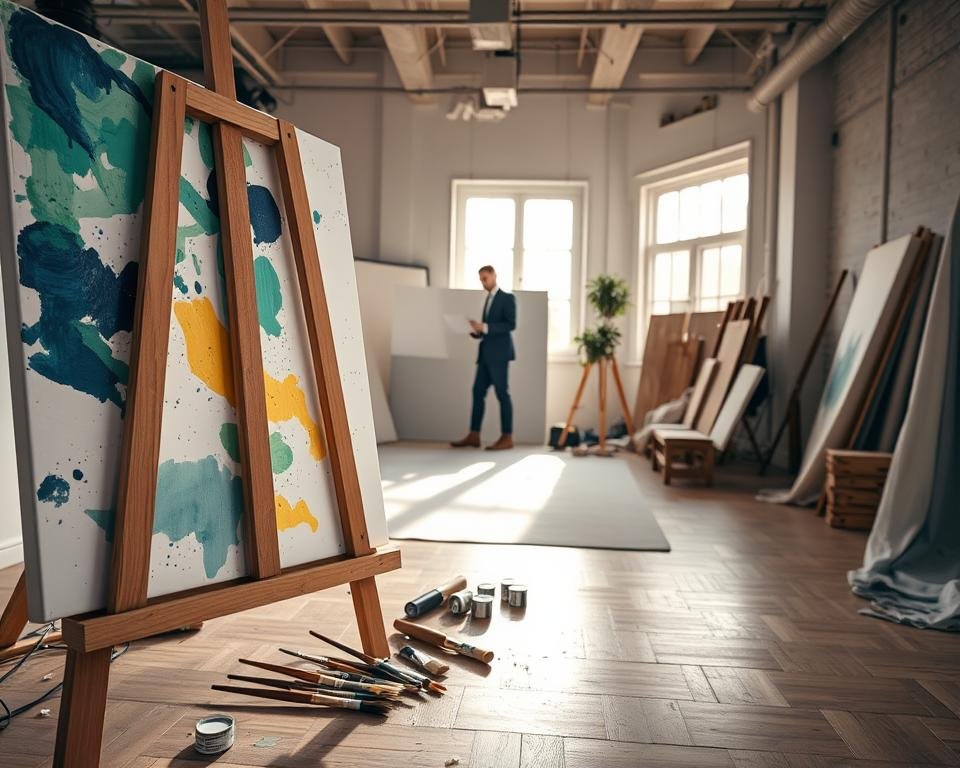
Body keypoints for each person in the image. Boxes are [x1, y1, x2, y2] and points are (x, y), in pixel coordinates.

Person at [451, 265, 516, 450]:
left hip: (499, 355)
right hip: (485, 354)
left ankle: (507, 436)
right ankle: (474, 435)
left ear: (495, 276)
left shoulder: (507, 298)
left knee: (503, 394)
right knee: (477, 392)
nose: (483, 282)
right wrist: (476, 331)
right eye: (480, 279)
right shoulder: (487, 299)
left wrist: (485, 327)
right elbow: (487, 328)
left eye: (485, 278)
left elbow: (510, 325)